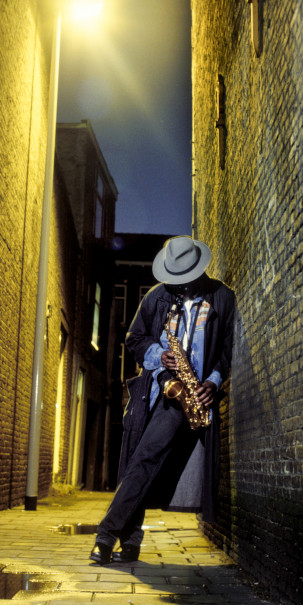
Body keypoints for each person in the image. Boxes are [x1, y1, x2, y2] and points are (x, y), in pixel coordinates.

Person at [90, 235, 236, 565]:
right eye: (175, 281)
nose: (180, 287)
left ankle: (121, 540)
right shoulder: (158, 297)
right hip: (164, 393)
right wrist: (160, 356)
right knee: (143, 461)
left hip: (199, 395)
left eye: (185, 280)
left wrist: (213, 381)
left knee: (147, 465)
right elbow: (135, 339)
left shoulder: (223, 298)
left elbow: (229, 349)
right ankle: (111, 536)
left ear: (199, 271)